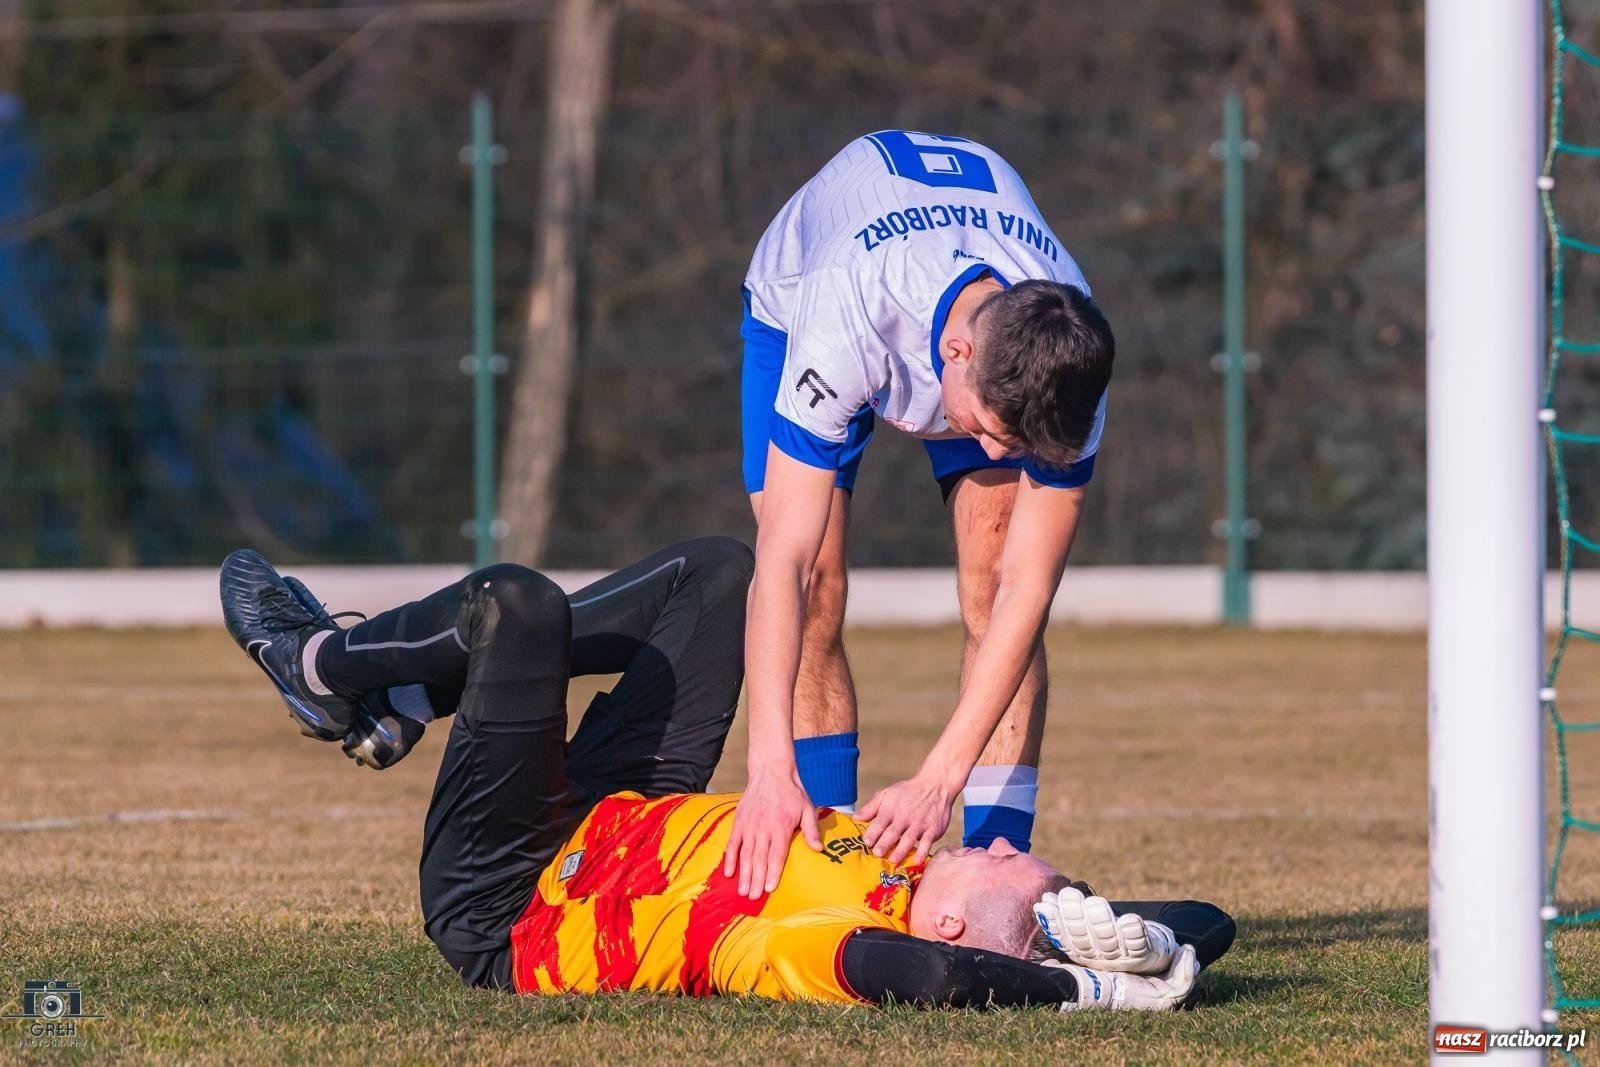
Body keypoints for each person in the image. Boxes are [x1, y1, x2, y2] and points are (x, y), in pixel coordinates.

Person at [219, 539, 1234, 1008]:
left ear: (963, 924)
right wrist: (1111, 934)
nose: (1008, 840)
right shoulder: (918, 873)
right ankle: (408, 694)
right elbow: (1206, 919)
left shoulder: (840, 939)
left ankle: (319, 667)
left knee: (516, 606)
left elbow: (928, 975)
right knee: (724, 575)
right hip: (633, 805)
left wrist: (1076, 989)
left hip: (517, 897)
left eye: (1023, 869)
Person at [733, 130, 1116, 898]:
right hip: (798, 296)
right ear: (958, 353)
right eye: (982, 427)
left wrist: (939, 780)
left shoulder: (1070, 359)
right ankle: (830, 859)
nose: (983, 446)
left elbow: (1025, 592)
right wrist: (766, 769)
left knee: (991, 580)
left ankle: (997, 861)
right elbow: (784, 558)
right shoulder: (847, 312)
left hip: (967, 306)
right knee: (819, 587)